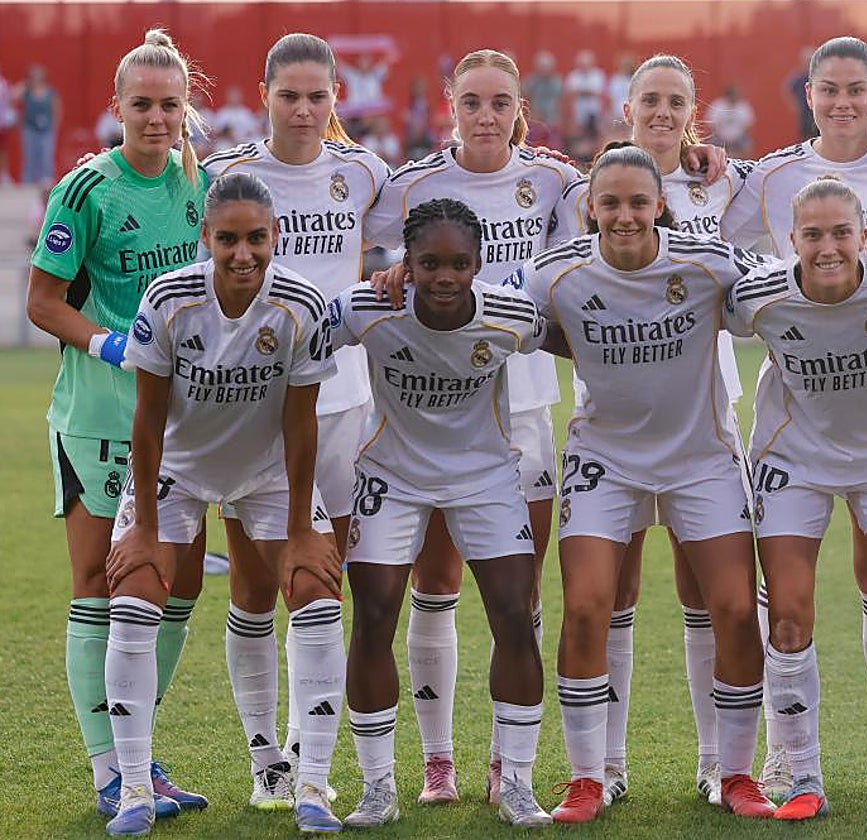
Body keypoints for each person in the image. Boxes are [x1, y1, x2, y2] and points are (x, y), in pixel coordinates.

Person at [515, 144, 775, 824]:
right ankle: (586, 779)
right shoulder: (556, 274)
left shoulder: (707, 264)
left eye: (638, 202)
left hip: (701, 457)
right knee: (585, 608)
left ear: (660, 204)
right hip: (607, 460)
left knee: (737, 610)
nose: (625, 215)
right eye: (611, 203)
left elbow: (781, 294)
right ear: (589, 208)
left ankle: (737, 774)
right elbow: (498, 312)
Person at [363, 48, 583, 807]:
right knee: (433, 584)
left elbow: (634, 195)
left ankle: (506, 769)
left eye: (499, 102)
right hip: (430, 407)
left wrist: (695, 153)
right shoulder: (411, 184)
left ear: (520, 108)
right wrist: (389, 269)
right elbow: (371, 254)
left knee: (517, 597)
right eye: (471, 102)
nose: (485, 116)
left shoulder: (556, 179)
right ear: (449, 108)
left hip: (522, 403)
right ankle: (437, 762)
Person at [722, 35, 867, 800]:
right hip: (799, 418)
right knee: (791, 605)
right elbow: (715, 246)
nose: (843, 101)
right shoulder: (771, 176)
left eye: (857, 89)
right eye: (829, 89)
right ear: (808, 93)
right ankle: (790, 761)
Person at [104, 171, 344, 836]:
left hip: (266, 474)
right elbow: (148, 422)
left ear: (276, 236)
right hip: (175, 473)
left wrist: (300, 529)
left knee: (318, 592)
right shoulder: (169, 299)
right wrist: (146, 528)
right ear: (206, 237)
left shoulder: (299, 304)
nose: (244, 254)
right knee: (132, 598)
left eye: (257, 239)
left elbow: (302, 425)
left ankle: (313, 785)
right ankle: (132, 792)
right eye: (229, 239)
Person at [200, 31, 390, 810]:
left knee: (321, 579)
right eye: (290, 95)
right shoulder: (224, 175)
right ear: (265, 93)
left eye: (318, 95)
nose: (305, 109)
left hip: (341, 401)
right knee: (251, 587)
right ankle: (264, 761)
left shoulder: (366, 172)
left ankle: (313, 757)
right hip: (250, 412)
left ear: (336, 97)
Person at [25, 28, 209, 823]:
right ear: (117, 108)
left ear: (186, 109)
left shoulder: (198, 181)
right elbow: (42, 301)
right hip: (99, 416)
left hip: (183, 422)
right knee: (100, 586)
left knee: (177, 586)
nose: (158, 118)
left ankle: (139, 754)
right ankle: (111, 772)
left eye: (171, 105)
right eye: (143, 104)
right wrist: (108, 343)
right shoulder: (85, 189)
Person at [334, 198, 553, 829]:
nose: (445, 277)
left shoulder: (509, 315)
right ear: (408, 262)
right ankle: (377, 788)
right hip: (392, 477)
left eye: (459, 263)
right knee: (373, 615)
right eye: (429, 263)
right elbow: (302, 333)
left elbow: (569, 338)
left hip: (484, 477)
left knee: (516, 613)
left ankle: (515, 782)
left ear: (480, 264)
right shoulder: (370, 309)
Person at [577, 54, 753, 809]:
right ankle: (605, 766)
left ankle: (719, 763)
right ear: (627, 108)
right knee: (611, 591)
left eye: (675, 101)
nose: (661, 111)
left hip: (704, 409)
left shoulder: (727, 181)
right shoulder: (580, 185)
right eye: (649, 99)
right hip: (614, 411)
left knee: (707, 589)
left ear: (693, 110)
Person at [17, 64, 59, 185]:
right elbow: (13, 97)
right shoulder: (27, 91)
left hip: (46, 129)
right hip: (30, 128)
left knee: (47, 155)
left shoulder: (50, 92)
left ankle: (47, 180)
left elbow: (56, 109)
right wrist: (26, 84)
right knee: (29, 155)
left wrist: (54, 127)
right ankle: (28, 181)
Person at [705, 85, 755, 157]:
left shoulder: (743, 106)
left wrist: (736, 138)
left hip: (739, 137)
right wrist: (722, 137)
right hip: (720, 137)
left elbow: (748, 125)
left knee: (747, 145)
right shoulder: (717, 106)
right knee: (709, 146)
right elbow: (712, 124)